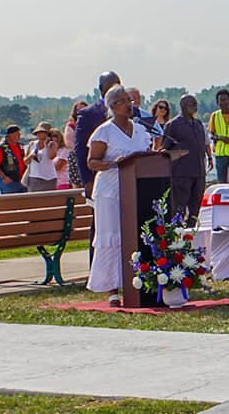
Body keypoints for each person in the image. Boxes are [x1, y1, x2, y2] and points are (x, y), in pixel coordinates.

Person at [86, 84, 152, 306]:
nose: (129, 105)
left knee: (134, 234)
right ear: (113, 106)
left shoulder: (141, 130)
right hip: (109, 191)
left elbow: (146, 155)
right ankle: (111, 289)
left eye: (130, 101)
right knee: (111, 236)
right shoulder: (104, 131)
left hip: (135, 189)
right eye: (124, 101)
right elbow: (92, 162)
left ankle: (137, 281)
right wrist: (113, 163)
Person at [163, 94, 213, 224]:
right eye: (192, 105)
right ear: (183, 106)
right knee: (179, 209)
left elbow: (203, 145)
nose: (195, 107)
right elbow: (165, 150)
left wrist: (209, 158)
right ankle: (178, 237)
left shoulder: (198, 124)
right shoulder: (173, 125)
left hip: (199, 172)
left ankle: (192, 235)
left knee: (195, 209)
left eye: (196, 105)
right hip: (181, 174)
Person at [76, 71, 122, 197]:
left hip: (126, 180)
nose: (116, 89)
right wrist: (87, 181)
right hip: (100, 179)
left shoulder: (131, 111)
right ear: (102, 89)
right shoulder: (88, 114)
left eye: (118, 85)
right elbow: (81, 150)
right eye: (112, 85)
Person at [0, 125, 27, 194]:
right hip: (9, 183)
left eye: (19, 134)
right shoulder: (2, 148)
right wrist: (4, 177)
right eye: (17, 134)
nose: (19, 136)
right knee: (10, 204)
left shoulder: (20, 146)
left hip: (22, 181)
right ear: (10, 135)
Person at [24, 122, 58, 191]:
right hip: (34, 178)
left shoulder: (52, 144)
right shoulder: (32, 144)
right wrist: (31, 156)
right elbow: (25, 162)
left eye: (41, 132)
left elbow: (51, 156)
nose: (38, 134)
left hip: (50, 178)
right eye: (37, 132)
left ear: (47, 133)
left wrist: (46, 145)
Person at [63, 101, 87, 189]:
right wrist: (80, 151)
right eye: (78, 109)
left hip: (89, 155)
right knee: (77, 183)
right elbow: (68, 142)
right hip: (76, 156)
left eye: (83, 109)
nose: (80, 111)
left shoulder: (90, 124)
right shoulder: (71, 125)